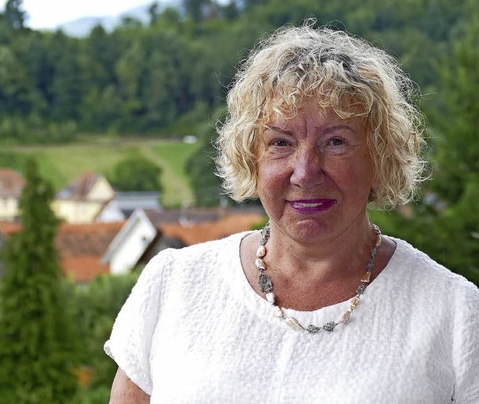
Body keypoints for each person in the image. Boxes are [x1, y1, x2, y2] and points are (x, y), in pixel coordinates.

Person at [104, 21, 479, 403]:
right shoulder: (174, 286)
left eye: (335, 142)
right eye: (280, 142)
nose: (305, 171)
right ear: (251, 157)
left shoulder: (455, 314)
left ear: (380, 157)